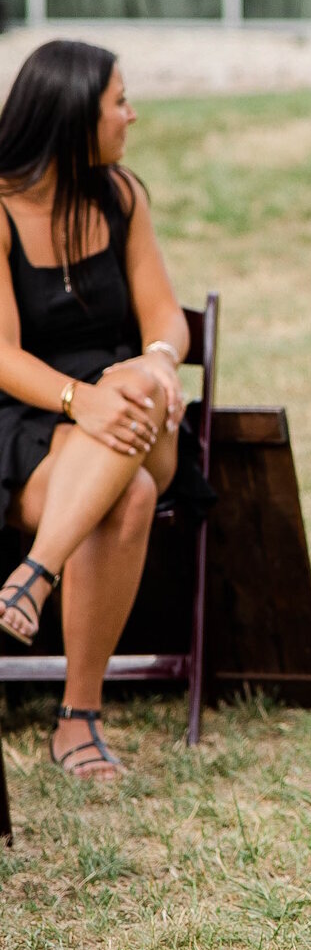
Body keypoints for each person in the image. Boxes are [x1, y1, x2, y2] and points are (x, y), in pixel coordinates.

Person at [0, 42, 189, 783]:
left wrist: (156, 362)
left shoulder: (120, 196)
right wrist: (83, 400)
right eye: (118, 101)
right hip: (31, 423)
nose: (131, 114)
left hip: (136, 414)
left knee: (136, 396)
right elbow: (4, 355)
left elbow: (165, 314)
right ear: (74, 118)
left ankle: (33, 575)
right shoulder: (1, 211)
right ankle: (78, 721)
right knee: (128, 493)